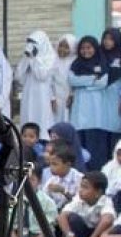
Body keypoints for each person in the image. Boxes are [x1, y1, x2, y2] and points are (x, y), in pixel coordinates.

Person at [58, 171, 116, 237]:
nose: (80, 190)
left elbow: (107, 220)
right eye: (81, 186)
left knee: (105, 229)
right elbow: (61, 216)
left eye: (85, 187)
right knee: (73, 218)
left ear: (98, 192)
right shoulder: (78, 199)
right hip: (83, 234)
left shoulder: (105, 201)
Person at [68, 35, 110, 168]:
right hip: (79, 113)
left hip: (96, 114)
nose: (86, 51)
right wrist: (92, 79)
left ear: (95, 48)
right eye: (82, 48)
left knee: (95, 148)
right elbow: (72, 80)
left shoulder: (102, 62)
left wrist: (82, 83)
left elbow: (103, 83)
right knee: (81, 147)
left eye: (89, 48)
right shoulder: (76, 64)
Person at [6, 162, 58, 237]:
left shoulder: (47, 202)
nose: (26, 184)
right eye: (23, 180)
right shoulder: (14, 198)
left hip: (37, 236)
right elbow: (8, 222)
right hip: (18, 233)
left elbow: (49, 228)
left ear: (39, 181)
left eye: (31, 180)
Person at [14, 30, 56, 139]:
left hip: (42, 94)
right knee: (28, 116)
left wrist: (34, 59)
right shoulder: (28, 57)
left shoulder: (50, 57)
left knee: (42, 118)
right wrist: (26, 58)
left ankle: (42, 138)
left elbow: (41, 75)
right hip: (28, 93)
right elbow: (19, 76)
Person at [99, 27, 121, 155]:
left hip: (115, 98)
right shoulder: (98, 56)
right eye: (105, 38)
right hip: (101, 98)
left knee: (115, 130)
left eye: (111, 39)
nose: (107, 42)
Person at [41, 144, 82, 210]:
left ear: (68, 164)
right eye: (50, 164)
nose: (51, 167)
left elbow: (80, 205)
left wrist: (64, 192)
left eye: (55, 164)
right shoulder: (52, 180)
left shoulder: (79, 179)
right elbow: (43, 199)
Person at [51, 33, 76, 125]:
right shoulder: (53, 61)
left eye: (66, 47)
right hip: (56, 98)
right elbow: (50, 82)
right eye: (60, 46)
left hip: (69, 98)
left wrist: (72, 95)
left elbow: (75, 82)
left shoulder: (75, 62)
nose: (62, 49)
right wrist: (52, 98)